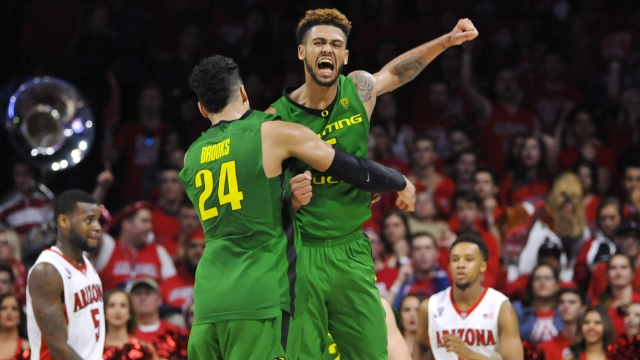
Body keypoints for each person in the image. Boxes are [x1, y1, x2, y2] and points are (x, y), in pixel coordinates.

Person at [268, 8, 477, 358]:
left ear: (345, 56)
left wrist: (448, 40)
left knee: (371, 352)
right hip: (303, 252)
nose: (327, 50)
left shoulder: (359, 89)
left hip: (352, 248)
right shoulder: (276, 118)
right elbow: (260, 198)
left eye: (336, 44)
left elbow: (397, 72)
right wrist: (288, 199)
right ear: (302, 52)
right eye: (318, 42)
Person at [182, 55, 415, 360]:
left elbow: (240, 205)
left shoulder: (191, 155)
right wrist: (399, 182)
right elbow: (350, 168)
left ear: (202, 108)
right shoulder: (271, 131)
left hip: (208, 296)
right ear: (243, 93)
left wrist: (287, 199)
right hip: (257, 293)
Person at [414, 232, 523, 360]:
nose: (460, 265)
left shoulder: (500, 307)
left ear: (482, 266)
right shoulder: (429, 307)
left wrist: (469, 355)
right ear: (449, 266)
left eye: (468, 259)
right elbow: (420, 345)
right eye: (455, 259)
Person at [26, 190, 105, 359]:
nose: (97, 227)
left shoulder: (86, 265)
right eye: (89, 220)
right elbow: (58, 348)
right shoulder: (47, 271)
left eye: (98, 220)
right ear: (63, 221)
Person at [94, 202, 177, 291]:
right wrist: (102, 189)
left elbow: (171, 287)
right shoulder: (108, 246)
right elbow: (90, 227)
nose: (150, 226)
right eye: (144, 221)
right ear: (127, 224)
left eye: (150, 222)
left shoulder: (158, 251)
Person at [387, 233, 449, 310]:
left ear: (436, 253)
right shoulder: (406, 282)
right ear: (411, 255)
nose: (423, 253)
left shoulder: (447, 280)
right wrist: (399, 281)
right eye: (418, 249)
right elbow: (386, 311)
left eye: (428, 248)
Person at [513, 263, 563, 342]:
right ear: (531, 284)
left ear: (557, 285)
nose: (542, 282)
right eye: (537, 278)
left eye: (548, 278)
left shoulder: (565, 311)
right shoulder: (517, 310)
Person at [102, 288, 155, 360]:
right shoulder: (95, 349)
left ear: (129, 311)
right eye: (112, 305)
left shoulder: (145, 349)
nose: (117, 310)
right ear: (104, 311)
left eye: (123, 305)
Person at [540, 288, 587, 360]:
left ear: (583, 308)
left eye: (572, 302)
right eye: (562, 302)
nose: (566, 306)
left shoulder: (590, 344)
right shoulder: (546, 347)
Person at [0, 228, 26, 303]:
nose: (0, 248)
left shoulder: (19, 269)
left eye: (4, 243)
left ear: (13, 246)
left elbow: (19, 299)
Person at [0, 293, 29, 360]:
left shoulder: (29, 347)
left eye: (14, 309)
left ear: (20, 315)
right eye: (4, 308)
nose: (9, 312)